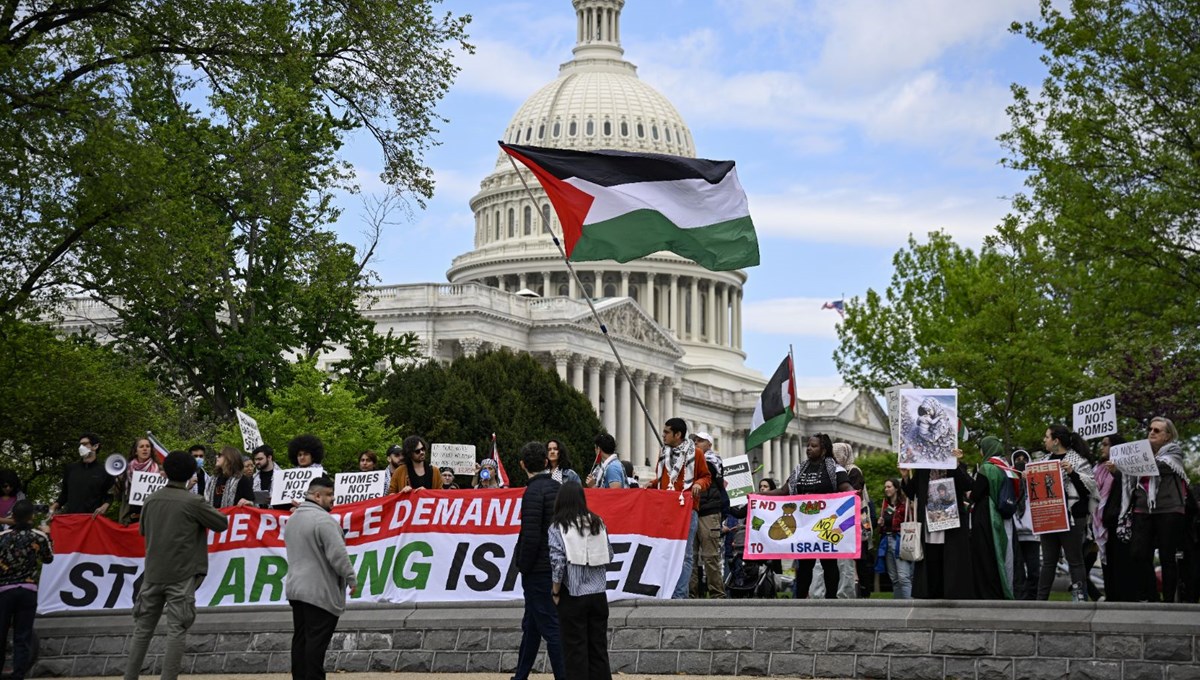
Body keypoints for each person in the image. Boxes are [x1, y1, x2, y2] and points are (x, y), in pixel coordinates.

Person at [124, 450, 229, 680]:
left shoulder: (151, 499)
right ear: (191, 472)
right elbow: (222, 523)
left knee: (142, 631)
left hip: (152, 574)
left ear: (165, 471)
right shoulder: (193, 501)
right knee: (176, 630)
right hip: (182, 575)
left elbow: (142, 530)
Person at [285, 476, 359, 680]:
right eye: (329, 495)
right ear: (317, 496)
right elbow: (338, 555)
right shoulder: (324, 520)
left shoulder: (294, 518)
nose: (333, 499)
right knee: (316, 645)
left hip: (296, 589)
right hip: (319, 592)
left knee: (301, 641)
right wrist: (351, 579)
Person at [761, 434, 851, 599]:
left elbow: (846, 487)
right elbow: (783, 491)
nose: (809, 448)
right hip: (804, 526)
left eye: (814, 446)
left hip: (826, 524)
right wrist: (759, 496)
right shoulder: (800, 469)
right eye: (808, 445)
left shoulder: (835, 469)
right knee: (804, 566)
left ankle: (832, 600)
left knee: (829, 564)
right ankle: (800, 599)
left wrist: (853, 494)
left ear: (824, 450)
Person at [511, 442, 566, 680]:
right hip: (555, 563)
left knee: (550, 627)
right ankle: (521, 675)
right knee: (532, 625)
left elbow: (531, 534)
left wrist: (523, 564)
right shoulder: (558, 488)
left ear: (522, 465)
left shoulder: (532, 492)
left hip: (538, 568)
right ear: (546, 462)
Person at [549, 481, 613, 680]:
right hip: (598, 593)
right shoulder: (598, 522)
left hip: (573, 594)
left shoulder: (557, 526)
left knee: (575, 651)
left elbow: (557, 563)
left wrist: (555, 591)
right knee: (598, 649)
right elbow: (609, 554)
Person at [1121, 417, 1188, 602]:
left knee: (1167, 556)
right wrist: (1118, 468)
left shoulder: (1173, 451)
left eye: (1157, 430)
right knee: (1138, 553)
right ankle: (1152, 597)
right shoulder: (1140, 454)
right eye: (1150, 429)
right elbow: (1132, 472)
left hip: (1169, 509)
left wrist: (1128, 463)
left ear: (1167, 436)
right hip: (1143, 509)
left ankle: (1168, 602)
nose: (1151, 432)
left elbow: (1158, 467)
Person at [901, 447, 975, 599]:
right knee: (931, 556)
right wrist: (905, 476)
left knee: (951, 557)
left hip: (951, 520)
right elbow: (911, 491)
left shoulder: (954, 465)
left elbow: (968, 484)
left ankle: (950, 592)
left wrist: (957, 463)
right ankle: (931, 591)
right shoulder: (923, 468)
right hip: (929, 519)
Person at [650, 418, 711, 599]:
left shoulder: (696, 454)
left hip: (686, 509)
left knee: (685, 555)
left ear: (678, 435)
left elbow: (706, 477)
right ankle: (664, 591)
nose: (663, 435)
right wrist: (652, 484)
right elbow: (664, 479)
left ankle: (679, 594)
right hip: (665, 508)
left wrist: (699, 484)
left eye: (667, 432)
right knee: (664, 550)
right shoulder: (663, 453)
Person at [1036, 424, 1097, 601]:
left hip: (1072, 518)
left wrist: (1071, 472)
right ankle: (1041, 600)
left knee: (1075, 560)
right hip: (1050, 517)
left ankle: (1079, 598)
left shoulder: (1079, 461)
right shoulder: (1043, 462)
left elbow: (1089, 489)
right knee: (1048, 561)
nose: (1044, 440)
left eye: (1047, 437)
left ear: (1056, 441)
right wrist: (1030, 478)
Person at [0, 500, 53, 680]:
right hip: (28, 590)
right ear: (32, 516)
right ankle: (18, 675)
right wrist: (48, 535)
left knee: (1, 633)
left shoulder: (3, 536)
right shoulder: (38, 536)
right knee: (22, 636)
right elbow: (48, 558)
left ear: (12, 517)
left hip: (5, 590)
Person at [973, 437, 1017, 600]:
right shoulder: (1007, 467)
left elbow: (977, 494)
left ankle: (990, 592)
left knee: (989, 557)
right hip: (1006, 516)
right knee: (1006, 555)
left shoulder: (987, 468)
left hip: (988, 517)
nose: (980, 452)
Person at [1096, 434, 1134, 601]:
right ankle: (1110, 597)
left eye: (1106, 444)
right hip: (1104, 523)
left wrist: (1117, 473)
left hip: (1121, 523)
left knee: (1120, 565)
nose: (1102, 447)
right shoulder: (1099, 469)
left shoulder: (1128, 468)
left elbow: (1129, 490)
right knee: (1108, 565)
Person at [690, 431, 727, 598]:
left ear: (709, 445)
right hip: (693, 510)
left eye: (701, 440)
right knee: (690, 557)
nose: (696, 442)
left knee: (710, 556)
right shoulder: (692, 459)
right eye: (695, 440)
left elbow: (710, 471)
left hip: (709, 511)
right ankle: (691, 593)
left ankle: (717, 593)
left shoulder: (713, 460)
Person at [50, 432, 114, 517]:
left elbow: (109, 495)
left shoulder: (105, 471)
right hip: (71, 519)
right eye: (80, 445)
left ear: (95, 446)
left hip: (93, 520)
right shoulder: (71, 469)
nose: (81, 447)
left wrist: (105, 506)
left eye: (85, 444)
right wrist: (53, 507)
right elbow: (64, 494)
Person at [1009, 449, 1040, 600]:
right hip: (1015, 532)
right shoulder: (1009, 480)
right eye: (1018, 459)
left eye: (1024, 459)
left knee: (1034, 570)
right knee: (1018, 569)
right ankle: (1020, 597)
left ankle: (1032, 598)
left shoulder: (1036, 481)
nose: (1021, 462)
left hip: (1032, 533)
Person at [877, 478, 913, 598]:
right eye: (885, 487)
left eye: (889, 487)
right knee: (894, 578)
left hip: (901, 541)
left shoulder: (905, 504)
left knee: (903, 577)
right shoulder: (885, 505)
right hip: (886, 542)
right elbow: (884, 528)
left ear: (896, 488)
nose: (886, 489)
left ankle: (910, 606)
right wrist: (881, 524)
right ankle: (898, 608)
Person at [118, 437, 164, 525]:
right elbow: (118, 496)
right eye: (141, 446)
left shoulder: (160, 469)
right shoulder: (126, 470)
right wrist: (119, 480)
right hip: (129, 518)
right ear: (135, 451)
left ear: (151, 450)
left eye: (148, 446)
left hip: (152, 517)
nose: (145, 449)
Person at [251, 445, 285, 509]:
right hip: (257, 515)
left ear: (269, 457)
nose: (256, 462)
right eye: (255, 459)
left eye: (260, 459)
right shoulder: (253, 478)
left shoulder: (283, 476)